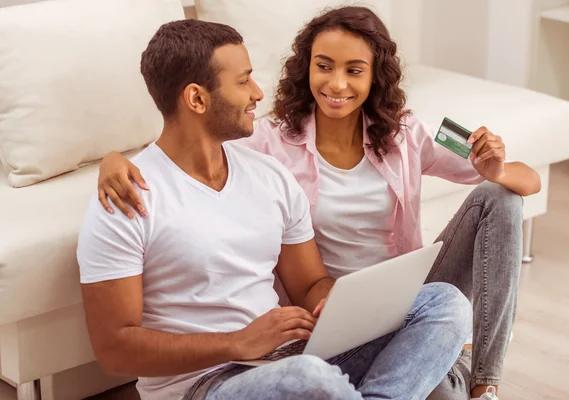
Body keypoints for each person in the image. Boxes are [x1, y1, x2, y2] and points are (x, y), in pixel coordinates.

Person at [95, 7, 541, 400]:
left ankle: (484, 383)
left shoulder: (403, 134)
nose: (337, 83)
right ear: (306, 68)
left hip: (379, 305)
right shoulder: (269, 144)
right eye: (324, 66)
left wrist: (496, 169)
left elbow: (528, 179)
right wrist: (112, 159)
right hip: (304, 337)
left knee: (475, 247)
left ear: (374, 76)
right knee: (410, 386)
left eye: (354, 70)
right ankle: (444, 371)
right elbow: (179, 143)